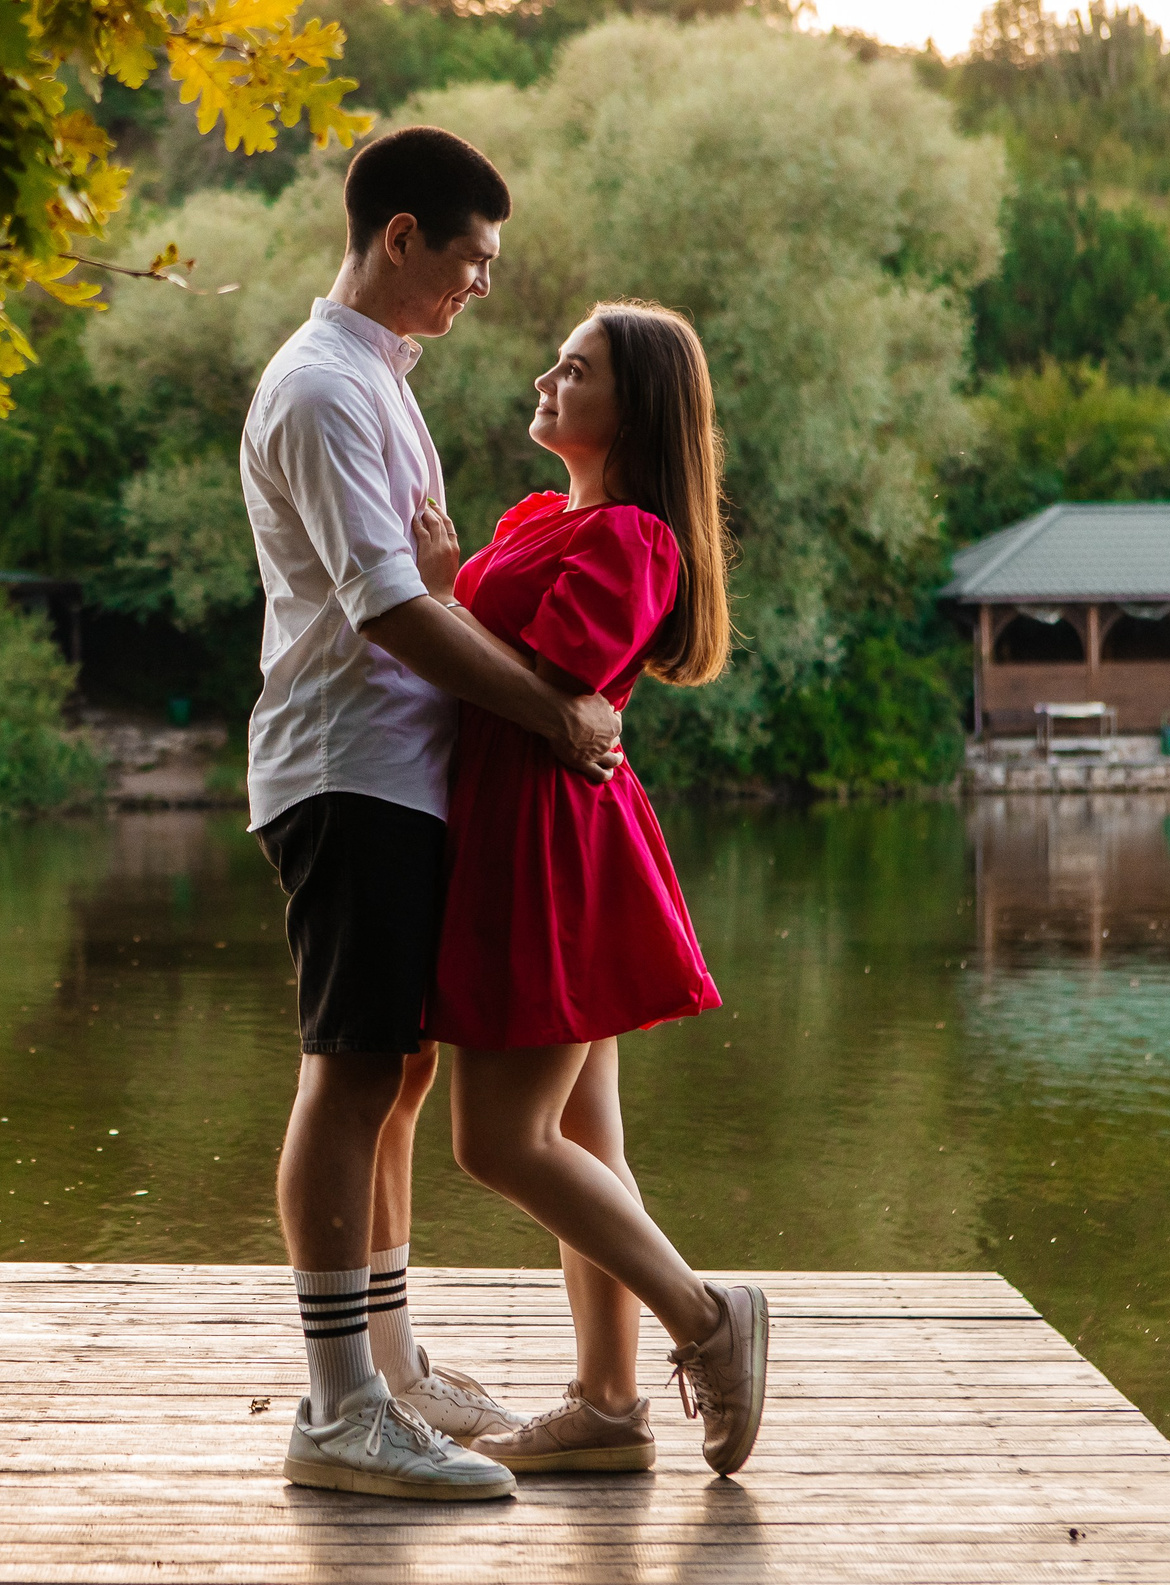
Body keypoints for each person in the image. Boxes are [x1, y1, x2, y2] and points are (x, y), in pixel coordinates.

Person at [243, 126, 626, 1502]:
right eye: (469, 259)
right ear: (399, 236)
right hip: (346, 768)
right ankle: (339, 1408)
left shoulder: (380, 381)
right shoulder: (324, 391)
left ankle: (391, 1369)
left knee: (396, 1073)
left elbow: (431, 583)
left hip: (399, 773)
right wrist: (556, 708)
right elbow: (390, 609)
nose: (479, 288)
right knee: (350, 1070)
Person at [415, 301, 768, 1477]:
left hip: (549, 846)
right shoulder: (535, 518)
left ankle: (707, 1322)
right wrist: (449, 590)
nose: (546, 378)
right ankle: (611, 1403)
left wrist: (435, 594)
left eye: (577, 370)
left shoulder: (631, 538)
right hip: (518, 829)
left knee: (497, 1142)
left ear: (636, 409)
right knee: (578, 1134)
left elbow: (558, 684)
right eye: (555, 360)